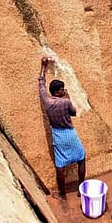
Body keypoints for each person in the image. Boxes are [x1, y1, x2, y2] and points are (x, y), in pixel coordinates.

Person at [39, 57, 86, 199]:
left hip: (58, 136)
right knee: (81, 158)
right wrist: (68, 98)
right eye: (62, 89)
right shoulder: (65, 102)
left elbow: (41, 85)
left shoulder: (47, 102)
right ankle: (80, 189)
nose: (63, 90)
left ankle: (63, 195)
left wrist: (43, 67)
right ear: (58, 91)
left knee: (60, 166)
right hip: (70, 134)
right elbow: (74, 113)